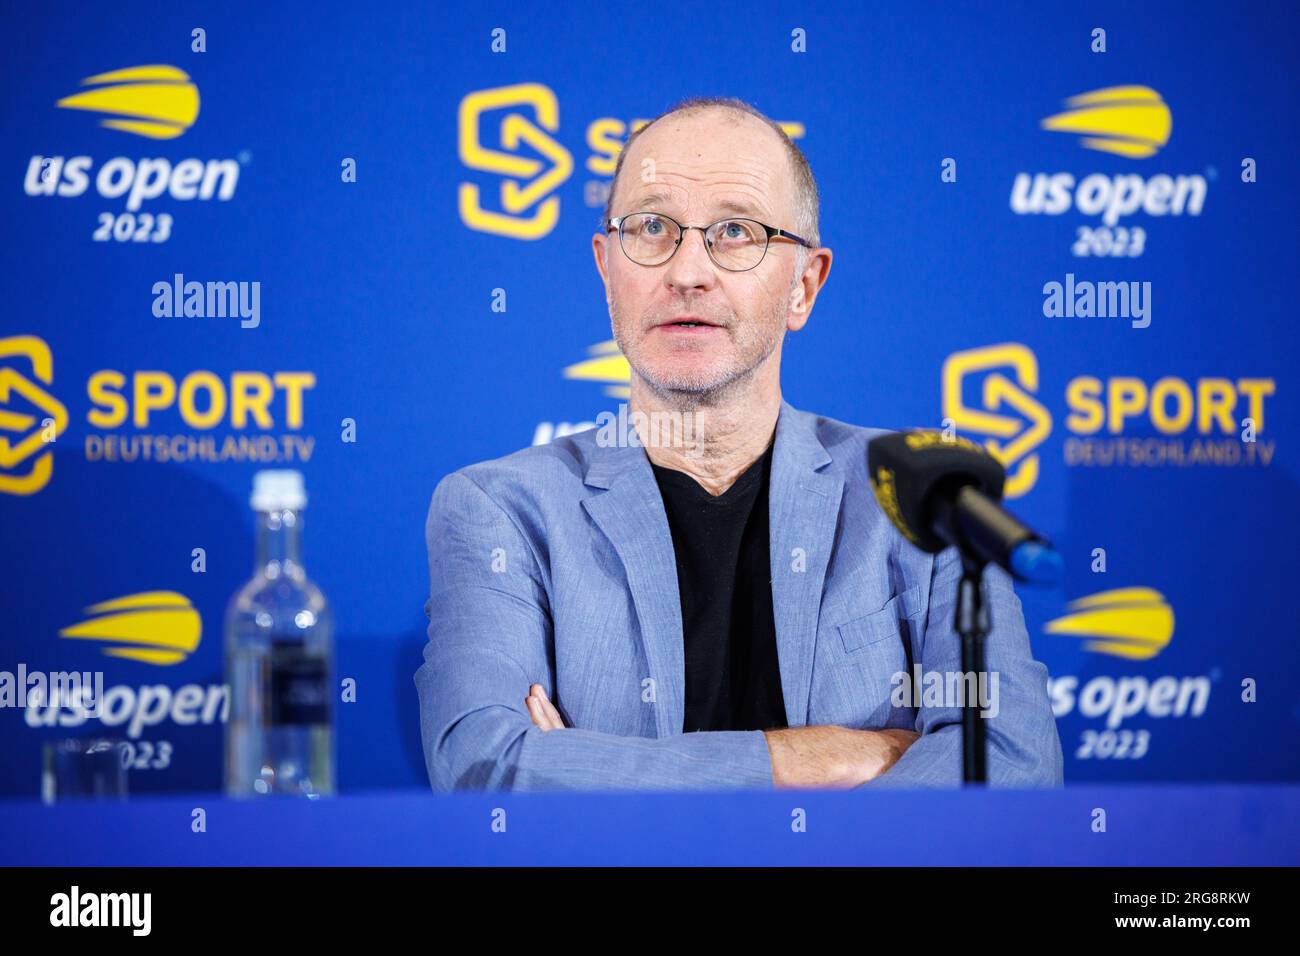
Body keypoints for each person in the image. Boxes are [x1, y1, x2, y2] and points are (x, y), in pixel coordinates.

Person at [415, 96, 1063, 791]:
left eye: (734, 231)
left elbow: (1009, 763)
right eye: (653, 227)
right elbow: (488, 768)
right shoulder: (504, 511)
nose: (688, 271)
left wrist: (593, 770)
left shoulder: (918, 498)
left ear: (804, 287)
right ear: (608, 269)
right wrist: (830, 756)